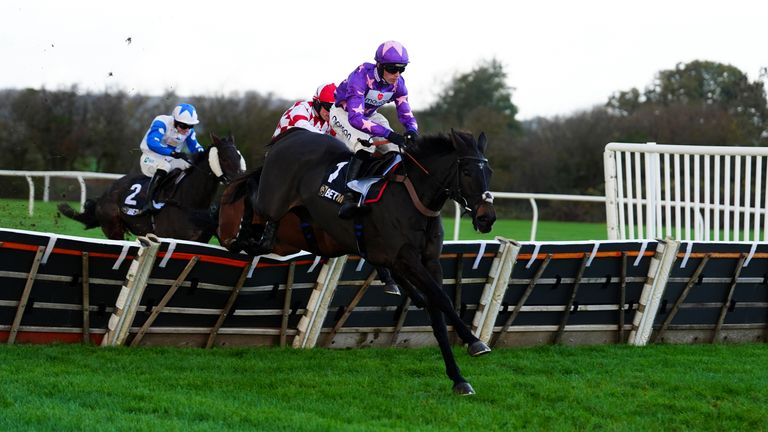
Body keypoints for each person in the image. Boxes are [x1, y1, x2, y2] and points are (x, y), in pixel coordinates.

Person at [330, 40, 420, 219]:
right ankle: (349, 197)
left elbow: (406, 113)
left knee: (396, 150)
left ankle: (381, 192)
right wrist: (389, 134)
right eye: (392, 69)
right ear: (379, 65)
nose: (397, 74)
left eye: (401, 69)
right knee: (365, 146)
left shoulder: (399, 84)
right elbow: (355, 118)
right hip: (344, 114)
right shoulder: (361, 75)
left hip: (370, 115)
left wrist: (412, 130)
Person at [137, 103, 204, 214]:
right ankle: (148, 203)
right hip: (150, 157)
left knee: (190, 165)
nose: (187, 130)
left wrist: (206, 156)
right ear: (175, 121)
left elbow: (195, 147)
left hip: (170, 158)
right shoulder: (161, 122)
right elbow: (152, 142)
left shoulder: (188, 131)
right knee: (165, 165)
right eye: (183, 126)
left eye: (190, 126)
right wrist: (173, 153)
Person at [273, 83, 337, 138]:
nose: (331, 112)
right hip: (281, 148)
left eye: (335, 108)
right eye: (328, 107)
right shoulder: (301, 108)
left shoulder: (331, 120)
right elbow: (303, 127)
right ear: (317, 103)